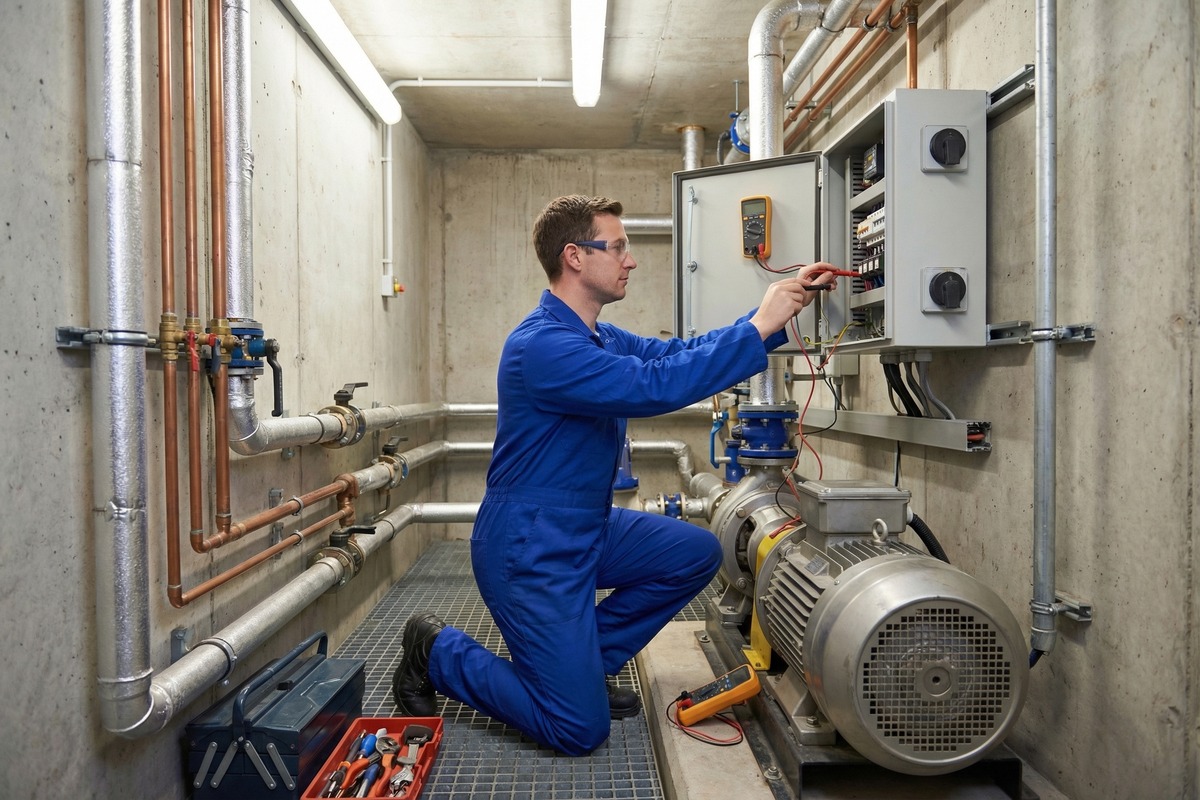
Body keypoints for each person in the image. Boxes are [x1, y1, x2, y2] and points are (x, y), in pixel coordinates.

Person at [392, 194, 838, 755]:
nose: (630, 259)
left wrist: (766, 318)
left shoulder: (596, 335)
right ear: (575, 256)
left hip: (585, 526)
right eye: (619, 246)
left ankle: (584, 666)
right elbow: (654, 388)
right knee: (578, 729)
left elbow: (675, 355)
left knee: (696, 554)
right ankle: (436, 653)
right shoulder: (542, 346)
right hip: (530, 545)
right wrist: (758, 328)